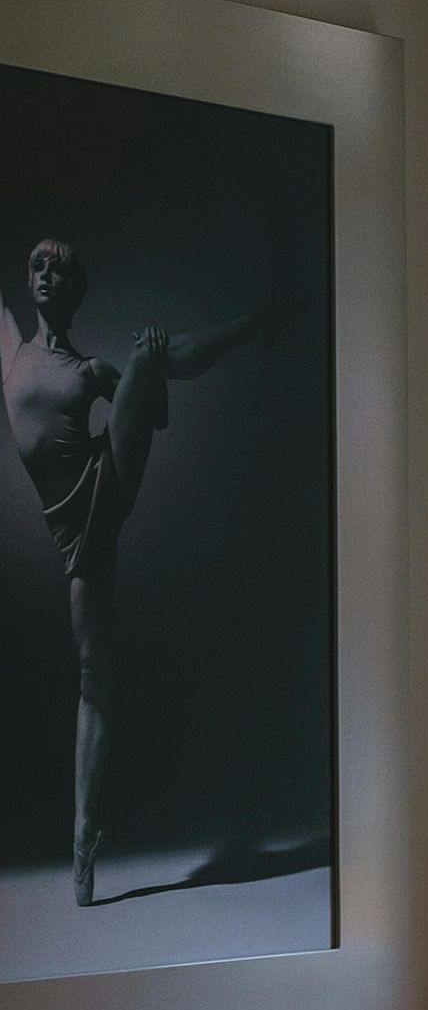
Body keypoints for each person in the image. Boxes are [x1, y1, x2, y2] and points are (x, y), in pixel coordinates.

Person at [0, 237, 294, 904]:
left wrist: (152, 360)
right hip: (76, 533)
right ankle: (85, 840)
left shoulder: (90, 370)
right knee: (94, 679)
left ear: (76, 292)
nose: (48, 274)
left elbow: (152, 413)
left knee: (142, 358)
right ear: (29, 282)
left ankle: (253, 325)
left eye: (62, 270)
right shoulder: (10, 349)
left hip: (112, 483)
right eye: (39, 265)